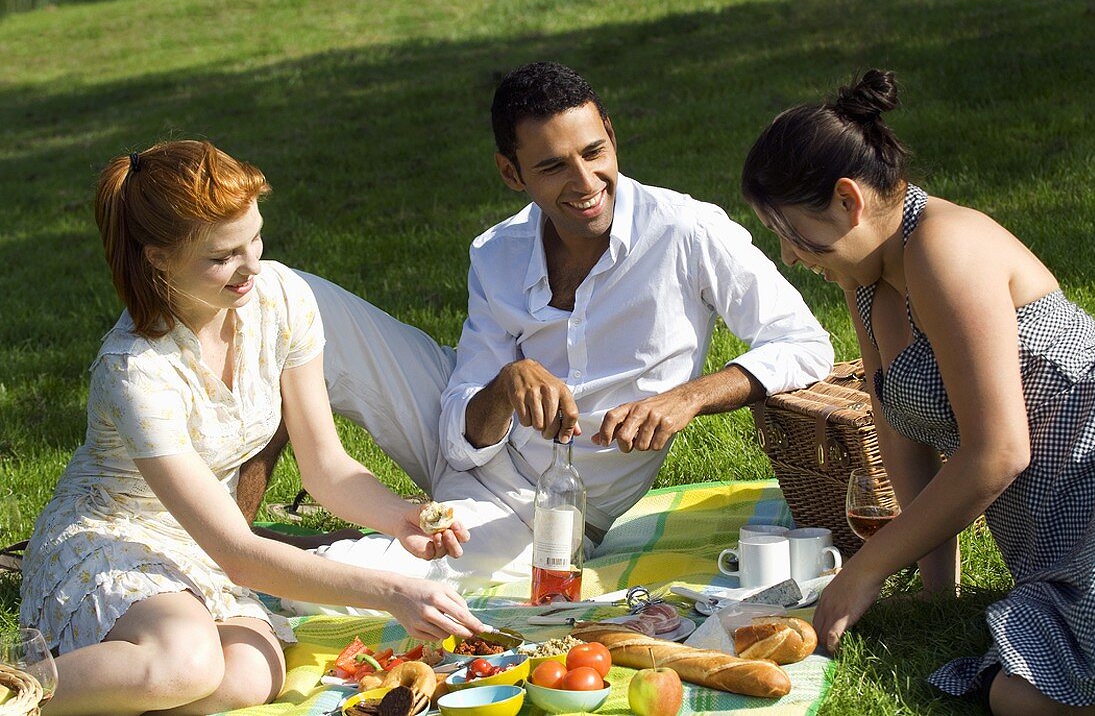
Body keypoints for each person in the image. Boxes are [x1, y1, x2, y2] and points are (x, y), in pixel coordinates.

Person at [256, 60, 834, 605]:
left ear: (611, 134)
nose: (585, 182)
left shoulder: (687, 232)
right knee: (278, 293)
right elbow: (462, 432)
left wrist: (689, 397)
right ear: (511, 172)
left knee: (354, 584)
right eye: (553, 166)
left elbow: (805, 343)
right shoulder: (497, 251)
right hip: (459, 435)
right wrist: (507, 386)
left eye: (594, 152)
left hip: (547, 511)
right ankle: (219, 523)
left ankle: (237, 564)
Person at [19, 141, 485, 716]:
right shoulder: (135, 371)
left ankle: (106, 692)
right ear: (158, 257)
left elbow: (327, 466)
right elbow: (238, 553)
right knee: (185, 664)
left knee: (248, 680)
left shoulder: (282, 298)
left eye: (254, 238)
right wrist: (390, 592)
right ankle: (16, 687)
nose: (252, 267)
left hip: (197, 538)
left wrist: (400, 517)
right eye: (223, 256)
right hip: (110, 534)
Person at [740, 69, 1095, 714]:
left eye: (793, 233)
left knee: (1024, 697)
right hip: (1054, 546)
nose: (792, 257)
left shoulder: (945, 247)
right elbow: (899, 433)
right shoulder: (869, 277)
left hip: (1089, 508)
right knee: (1018, 694)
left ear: (848, 201)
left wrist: (865, 568)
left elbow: (998, 452)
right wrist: (938, 589)